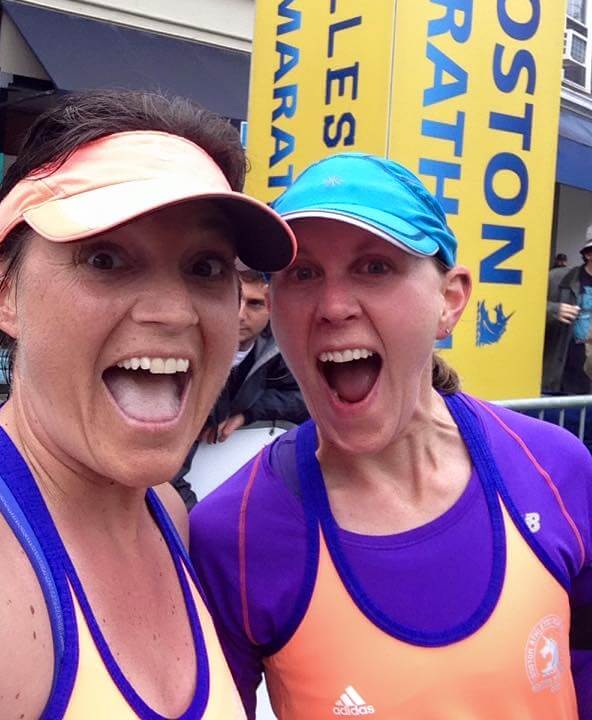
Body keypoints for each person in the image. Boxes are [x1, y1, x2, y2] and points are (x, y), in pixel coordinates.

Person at [0, 89, 296, 720]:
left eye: (205, 267)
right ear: (3, 290)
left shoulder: (169, 518)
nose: (173, 311)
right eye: (105, 258)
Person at [191, 153, 592, 719]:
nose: (332, 307)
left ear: (450, 301)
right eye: (302, 274)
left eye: (375, 267)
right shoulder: (231, 533)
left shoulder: (556, 467)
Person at [173, 268, 306, 509]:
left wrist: (246, 415)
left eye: (254, 304)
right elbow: (167, 475)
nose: (240, 315)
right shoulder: (180, 362)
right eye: (235, 300)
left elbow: (303, 401)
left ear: (271, 309)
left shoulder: (279, 350)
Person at [543, 225, 592, 398]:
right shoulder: (558, 279)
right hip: (558, 383)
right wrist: (552, 310)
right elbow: (527, 310)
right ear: (588, 254)